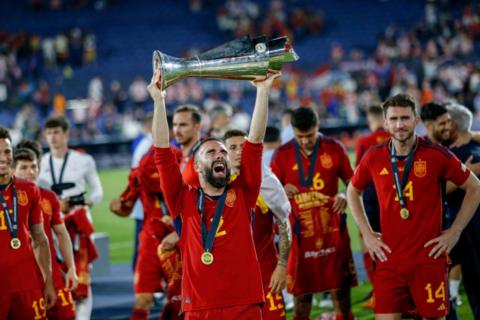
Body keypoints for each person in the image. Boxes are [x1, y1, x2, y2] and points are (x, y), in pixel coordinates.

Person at [151, 68, 279, 319]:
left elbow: (254, 144)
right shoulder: (182, 199)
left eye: (223, 152)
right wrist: (159, 100)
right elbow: (162, 154)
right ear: (197, 166)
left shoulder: (244, 193)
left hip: (245, 304)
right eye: (211, 153)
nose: (220, 155)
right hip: (199, 308)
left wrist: (263, 92)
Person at [347, 93, 480, 319]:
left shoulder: (436, 155)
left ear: (416, 121)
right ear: (386, 122)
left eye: (405, 118)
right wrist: (367, 235)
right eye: (394, 119)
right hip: (389, 262)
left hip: (428, 259)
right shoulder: (374, 157)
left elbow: (474, 187)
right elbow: (352, 191)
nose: (400, 124)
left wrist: (454, 232)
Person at [270, 107, 357, 320]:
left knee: (341, 295)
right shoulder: (282, 154)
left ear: (317, 127)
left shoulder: (334, 148)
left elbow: (353, 184)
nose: (305, 141)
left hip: (332, 231)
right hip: (299, 235)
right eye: (300, 137)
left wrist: (345, 195)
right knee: (302, 298)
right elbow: (269, 194)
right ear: (292, 131)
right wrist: (281, 189)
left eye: (309, 136)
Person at [37, 115, 103, 320]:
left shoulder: (83, 160)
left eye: (56, 132)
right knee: (56, 272)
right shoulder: (39, 163)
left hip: (79, 224)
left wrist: (85, 202)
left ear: (66, 134)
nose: (52, 137)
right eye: (48, 133)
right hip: (53, 225)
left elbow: (97, 191)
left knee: (83, 276)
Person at [224, 129, 292, 320]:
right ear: (224, 152)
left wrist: (282, 265)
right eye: (233, 148)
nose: (238, 152)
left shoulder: (267, 181)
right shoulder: (215, 184)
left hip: (265, 270)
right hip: (230, 275)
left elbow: (284, 223)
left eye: (243, 147)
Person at [14, 142, 78, 320]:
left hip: (52, 274)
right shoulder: (6, 201)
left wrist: (71, 267)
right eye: (24, 168)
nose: (31, 172)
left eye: (34, 166)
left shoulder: (48, 197)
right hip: (23, 279)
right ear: (13, 171)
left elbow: (62, 233)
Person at [0, 127, 56, 319]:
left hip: (27, 285)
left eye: (6, 151)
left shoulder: (30, 190)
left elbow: (40, 239)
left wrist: (48, 282)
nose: (3, 157)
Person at [443, 102, 480, 319]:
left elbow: (435, 191)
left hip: (464, 228)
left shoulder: (449, 157)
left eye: (447, 121)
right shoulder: (476, 151)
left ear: (453, 125)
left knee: (474, 284)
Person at [354, 105, 390, 309]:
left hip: (370, 197)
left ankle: (379, 292)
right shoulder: (394, 136)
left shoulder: (364, 142)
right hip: (394, 195)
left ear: (370, 118)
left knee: (369, 241)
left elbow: (358, 174)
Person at [172, 104, 203, 186]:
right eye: (175, 125)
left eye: (183, 125)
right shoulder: (178, 156)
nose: (177, 131)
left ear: (197, 127)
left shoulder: (203, 158)